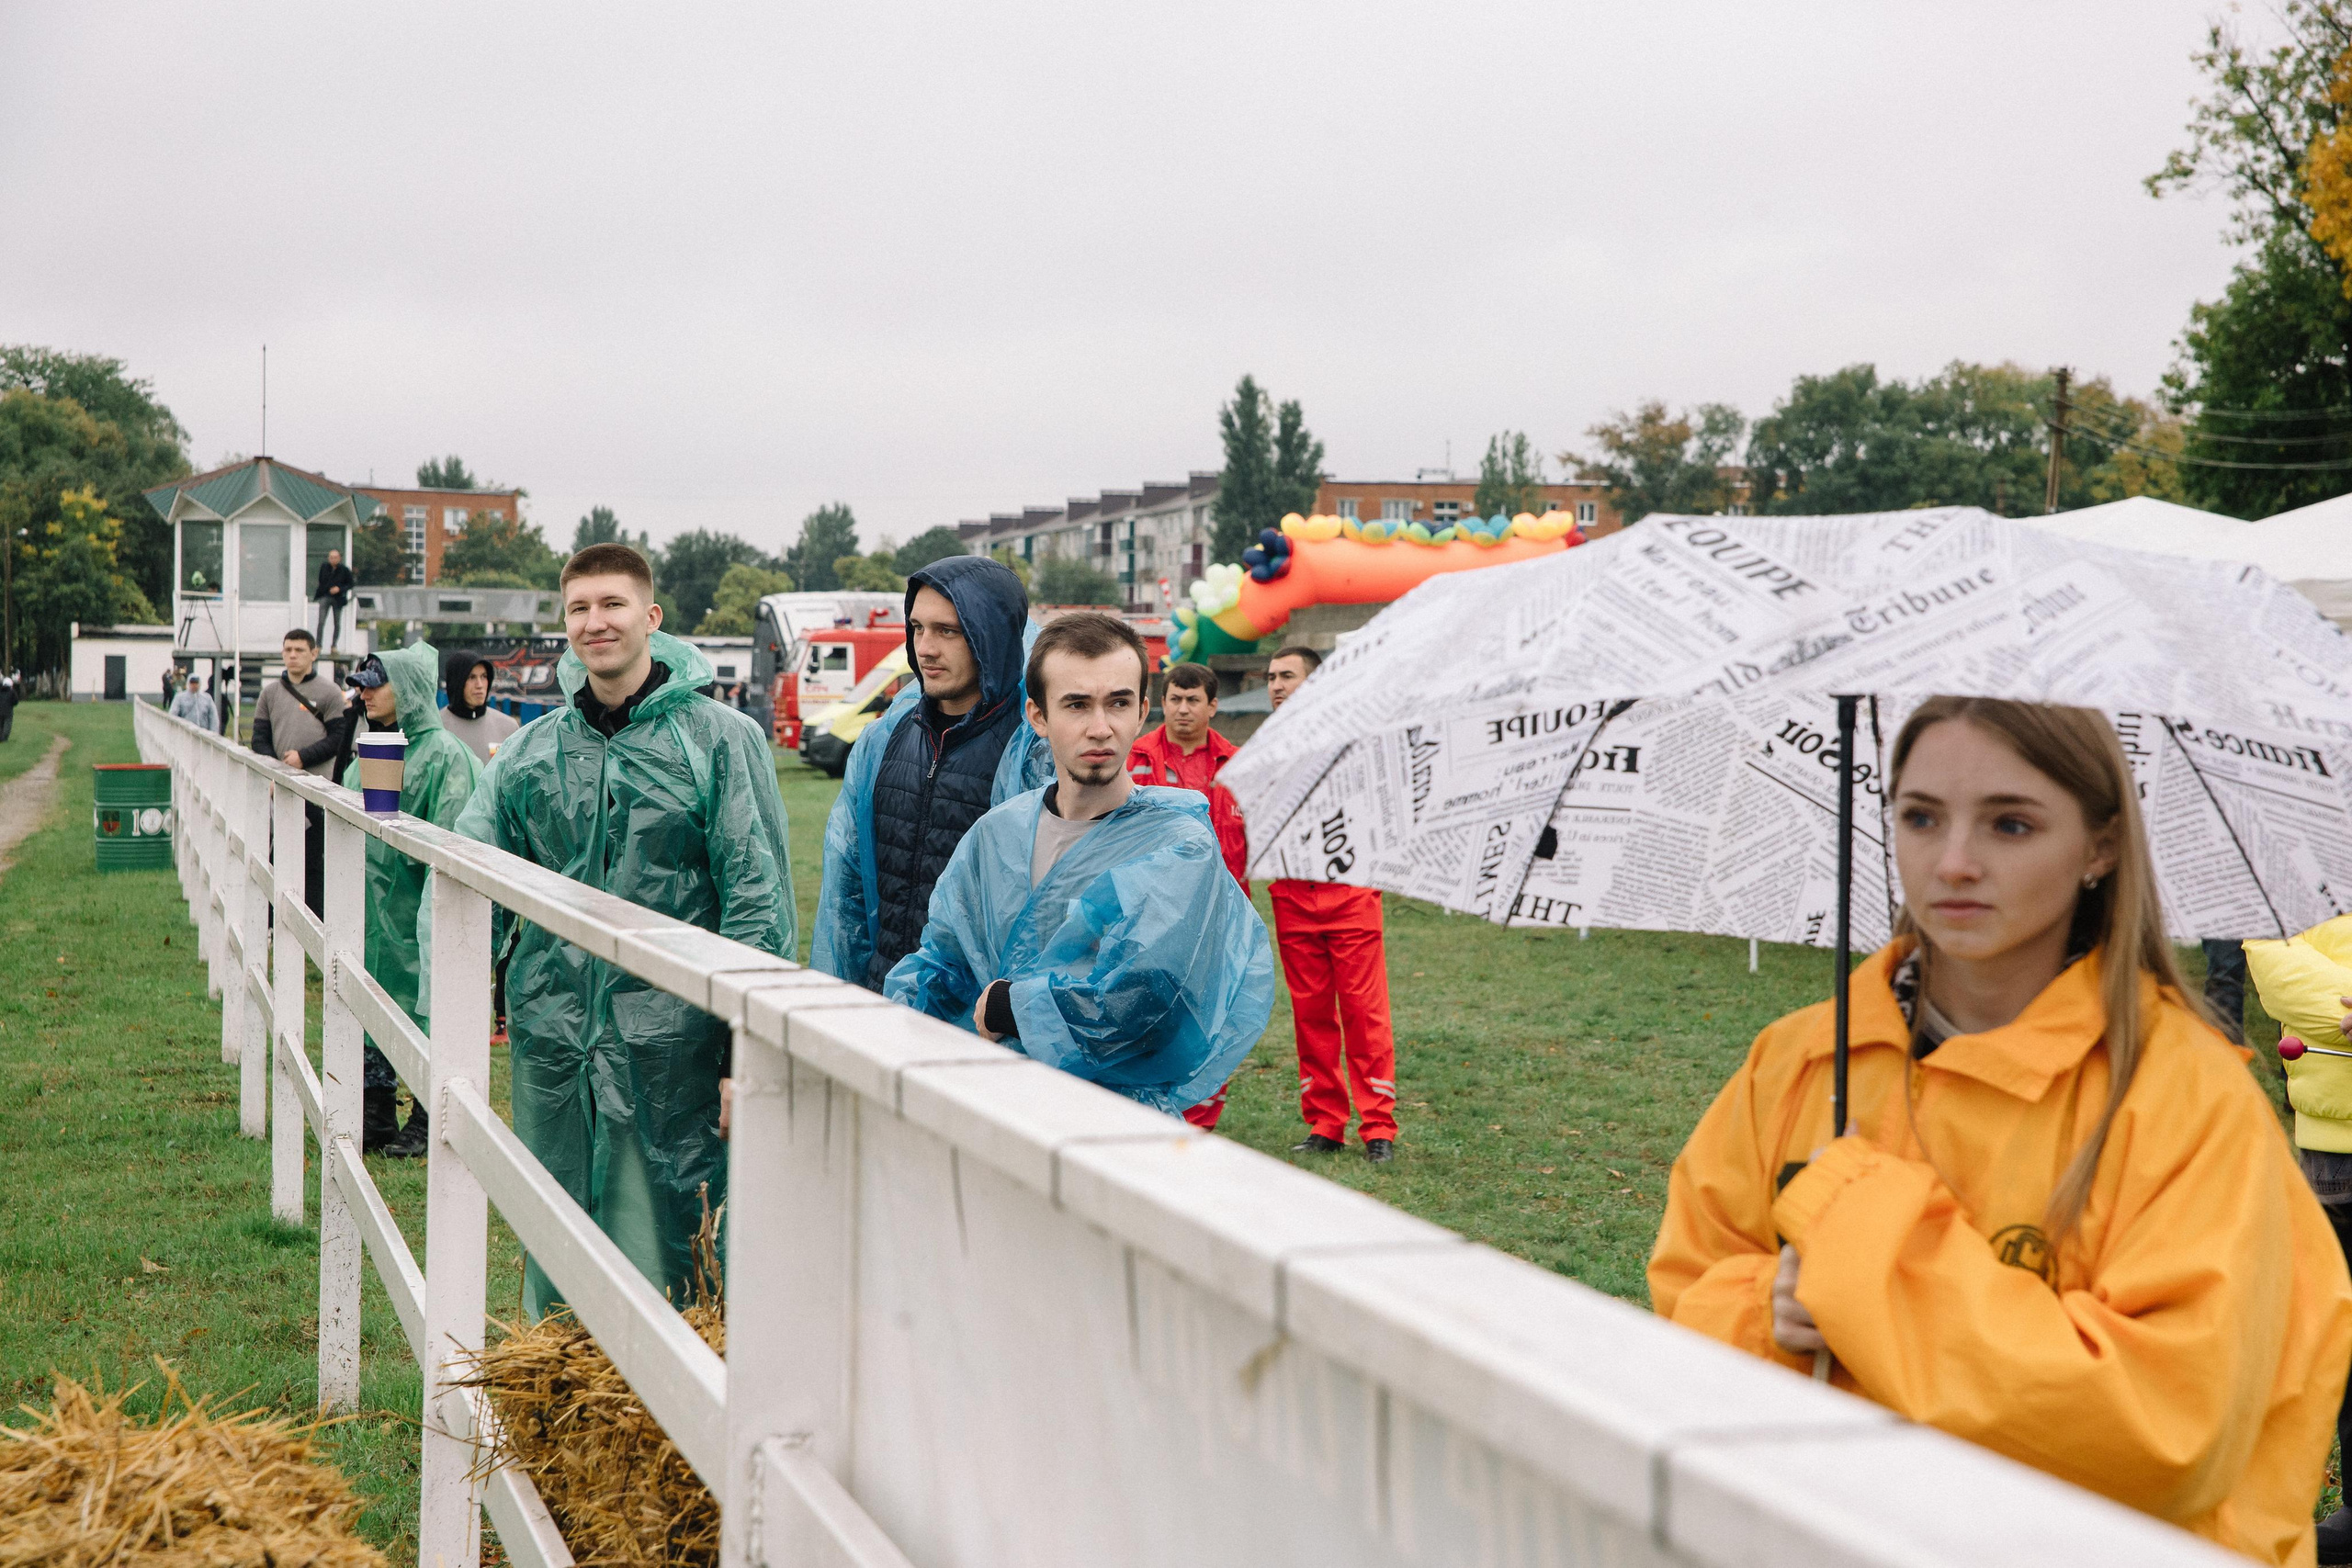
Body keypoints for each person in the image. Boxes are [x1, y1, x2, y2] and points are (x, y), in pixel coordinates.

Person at [1649, 696, 2352, 1566]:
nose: (1952, 863)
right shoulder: (1797, 1062)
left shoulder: (2190, 1099)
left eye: (2010, 825)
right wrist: (1767, 1317)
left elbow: (2164, 1434)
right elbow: (1680, 1311)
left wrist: (1857, 1232)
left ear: (2099, 847)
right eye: (1920, 816)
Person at [456, 543, 795, 1314]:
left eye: (611, 605)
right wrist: (465, 994)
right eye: (578, 608)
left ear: (651, 616)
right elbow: (468, 872)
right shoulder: (532, 754)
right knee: (557, 1215)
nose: (594, 622)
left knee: (672, 1232)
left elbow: (757, 904)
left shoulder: (717, 741)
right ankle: (562, 1395)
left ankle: (675, 1407)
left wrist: (745, 1045)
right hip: (553, 1036)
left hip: (675, 1041)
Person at [885, 613, 1272, 1115]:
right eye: (1076, 705)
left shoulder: (1176, 848)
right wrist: (888, 1026)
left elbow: (1149, 1010)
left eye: (1118, 703)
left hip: (1113, 1126)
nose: (1100, 728)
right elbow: (943, 961)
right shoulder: (998, 835)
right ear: (1037, 715)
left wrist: (1015, 1006)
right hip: (994, 1109)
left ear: (1141, 713)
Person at [811, 556, 1046, 990]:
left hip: (977, 1030)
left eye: (948, 631)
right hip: (881, 1009)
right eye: (918, 628)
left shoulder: (1034, 753)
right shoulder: (885, 740)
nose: (926, 648)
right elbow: (847, 896)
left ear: (991, 636)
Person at [337, 646, 481, 1157]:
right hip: (373, 911)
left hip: (419, 911)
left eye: (378, 683)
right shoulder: (369, 751)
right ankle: (375, 1110)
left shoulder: (446, 757)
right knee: (374, 1004)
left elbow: (453, 840)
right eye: (362, 684)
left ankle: (425, 1113)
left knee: (427, 1008)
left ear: (412, 690)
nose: (365, 692)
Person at [1262, 645, 1398, 1164]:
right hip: (1294, 897)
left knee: (1365, 1014)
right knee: (1311, 1016)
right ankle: (1325, 1123)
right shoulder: (1265, 749)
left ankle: (1378, 1127)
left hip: (1349, 895)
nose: (1276, 684)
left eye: (1288, 676)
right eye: (1272, 676)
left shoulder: (1353, 741)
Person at [1126, 660, 1249, 1128]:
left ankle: (1202, 1122)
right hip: (1152, 920)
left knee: (1212, 1023)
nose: (1182, 709)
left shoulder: (1237, 767)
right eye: (1174, 699)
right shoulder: (1134, 759)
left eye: (1193, 699)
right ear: (1161, 703)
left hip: (1220, 920)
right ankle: (1148, 1113)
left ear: (1213, 706)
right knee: (1147, 1019)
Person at [252, 628, 351, 916]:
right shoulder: (270, 693)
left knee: (313, 861)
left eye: (299, 650)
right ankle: (270, 921)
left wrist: (303, 758)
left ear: (314, 654)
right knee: (275, 855)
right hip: (279, 789)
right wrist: (277, 769)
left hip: (317, 790)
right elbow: (259, 738)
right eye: (288, 650)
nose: (293, 655)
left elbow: (338, 739)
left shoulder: (330, 692)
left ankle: (315, 924)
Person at [440, 649, 520, 763]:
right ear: (457, 682)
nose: (480, 685)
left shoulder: (508, 727)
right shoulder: (439, 727)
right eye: (471, 677)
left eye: (483, 676)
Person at [313, 547, 356, 651]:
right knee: (321, 621)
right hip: (325, 596)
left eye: (335, 557)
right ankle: (318, 645)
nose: (333, 560)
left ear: (339, 558)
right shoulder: (324, 568)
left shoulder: (345, 570)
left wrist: (339, 589)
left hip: (338, 599)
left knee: (337, 623)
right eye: (331, 557)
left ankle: (334, 645)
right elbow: (321, 581)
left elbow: (351, 584)